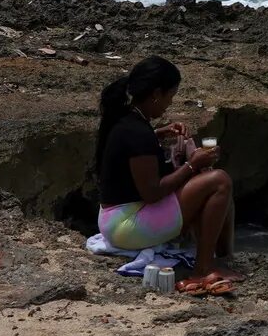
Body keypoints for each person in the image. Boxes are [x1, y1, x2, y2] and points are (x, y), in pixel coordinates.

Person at [93, 55, 237, 296]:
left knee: (218, 190)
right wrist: (192, 164)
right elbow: (152, 193)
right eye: (170, 96)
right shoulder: (137, 133)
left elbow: (133, 148)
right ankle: (203, 269)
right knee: (219, 181)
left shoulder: (127, 119)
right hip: (127, 226)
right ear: (156, 93)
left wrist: (160, 133)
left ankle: (223, 258)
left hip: (114, 218)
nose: (169, 103)